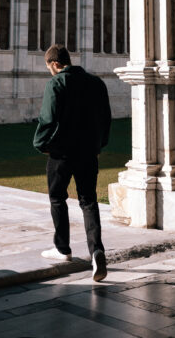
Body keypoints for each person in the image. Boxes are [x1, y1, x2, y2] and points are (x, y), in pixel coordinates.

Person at [33, 44, 112, 282]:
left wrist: (40, 143)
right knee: (88, 201)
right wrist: (99, 145)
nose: (50, 71)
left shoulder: (56, 84)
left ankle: (62, 249)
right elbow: (105, 118)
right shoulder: (96, 83)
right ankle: (96, 250)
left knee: (58, 198)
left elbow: (48, 118)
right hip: (89, 152)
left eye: (49, 67)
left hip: (62, 153)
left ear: (54, 64)